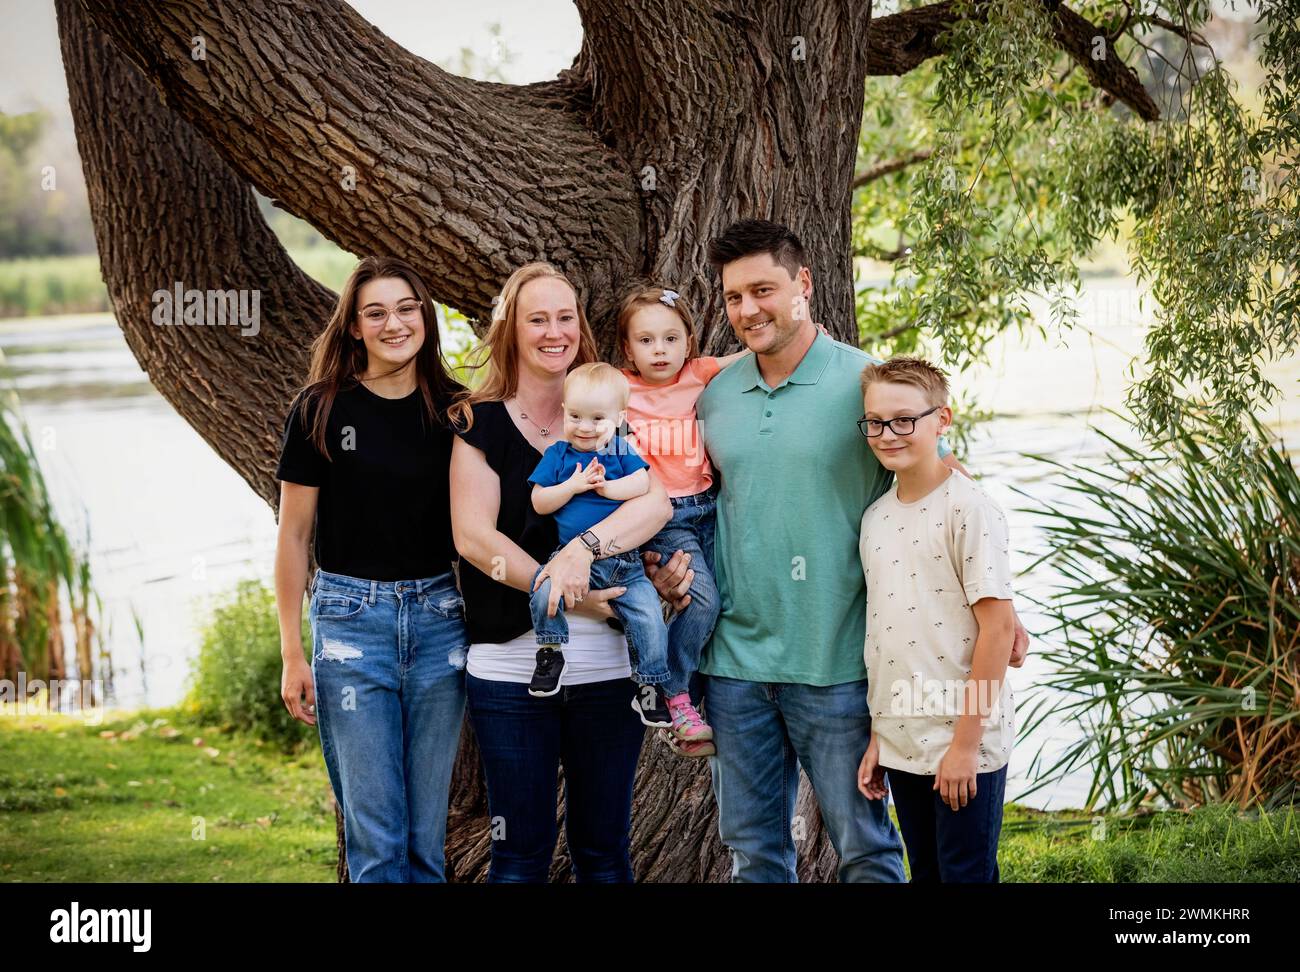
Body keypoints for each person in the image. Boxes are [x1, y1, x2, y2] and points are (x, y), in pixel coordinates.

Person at [645, 219, 1029, 882]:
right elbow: (679, 501)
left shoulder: (862, 384)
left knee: (866, 849)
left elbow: (940, 482)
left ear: (804, 284)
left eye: (763, 289)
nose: (748, 309)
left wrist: (1002, 611)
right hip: (735, 666)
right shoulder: (713, 396)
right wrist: (661, 569)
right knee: (753, 851)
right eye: (734, 297)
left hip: (841, 668)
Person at [449, 262, 673, 882]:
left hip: (608, 668)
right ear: (510, 331)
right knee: (519, 855)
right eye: (537, 318)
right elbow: (474, 539)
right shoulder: (479, 421)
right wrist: (570, 596)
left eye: (565, 317)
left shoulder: (614, 414)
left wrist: (583, 552)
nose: (554, 331)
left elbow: (656, 502)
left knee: (603, 853)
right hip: (511, 670)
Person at [275, 256, 468, 882]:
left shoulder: (457, 413)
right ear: (354, 328)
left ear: (425, 316)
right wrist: (291, 652)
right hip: (350, 626)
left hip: (441, 622)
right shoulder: (320, 409)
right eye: (376, 312)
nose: (394, 323)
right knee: (377, 846)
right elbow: (293, 536)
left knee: (423, 846)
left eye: (407, 308)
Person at [856, 356, 1015, 883]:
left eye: (905, 420)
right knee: (924, 872)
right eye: (876, 422)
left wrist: (965, 747)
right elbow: (888, 634)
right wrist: (882, 734)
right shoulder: (876, 518)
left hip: (963, 739)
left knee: (965, 873)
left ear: (942, 420)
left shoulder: (969, 508)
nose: (888, 434)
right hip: (903, 736)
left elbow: (998, 629)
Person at [616, 285, 751, 753]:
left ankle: (699, 699)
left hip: (708, 508)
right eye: (646, 340)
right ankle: (671, 692)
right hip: (664, 516)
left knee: (728, 605)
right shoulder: (619, 387)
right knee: (704, 602)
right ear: (627, 348)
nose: (660, 350)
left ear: (688, 342)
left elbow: (745, 357)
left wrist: (808, 334)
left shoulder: (697, 375)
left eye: (671, 339)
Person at [526, 362, 671, 726]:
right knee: (543, 590)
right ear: (564, 412)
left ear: (618, 418)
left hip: (625, 561)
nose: (585, 427)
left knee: (649, 616)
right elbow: (540, 502)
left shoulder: (620, 451)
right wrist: (572, 487)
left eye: (597, 419)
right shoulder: (558, 456)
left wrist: (607, 488)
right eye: (575, 416)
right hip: (569, 559)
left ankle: (649, 686)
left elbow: (641, 485)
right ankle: (549, 650)